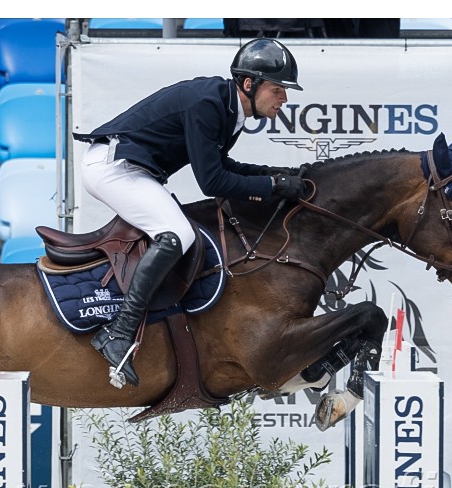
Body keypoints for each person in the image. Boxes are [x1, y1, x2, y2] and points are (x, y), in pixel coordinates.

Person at [74, 37, 309, 387]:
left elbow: (224, 165)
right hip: (112, 166)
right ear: (250, 83)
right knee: (178, 233)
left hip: (132, 167)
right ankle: (118, 332)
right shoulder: (208, 104)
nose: (284, 99)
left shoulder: (230, 110)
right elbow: (212, 182)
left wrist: (276, 176)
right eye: (277, 89)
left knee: (180, 229)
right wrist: (272, 188)